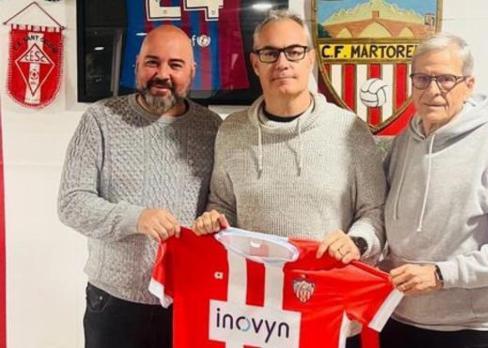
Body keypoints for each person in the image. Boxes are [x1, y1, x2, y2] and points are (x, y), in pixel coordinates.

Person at [192, 9, 386, 348]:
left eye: (294, 51)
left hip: (329, 315)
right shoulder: (231, 131)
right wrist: (213, 219)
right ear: (255, 64)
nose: (283, 62)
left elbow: (375, 212)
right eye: (270, 53)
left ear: (310, 59)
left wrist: (355, 242)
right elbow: (222, 205)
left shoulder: (349, 130)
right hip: (255, 318)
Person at [57, 25, 222, 348]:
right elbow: (71, 203)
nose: (162, 74)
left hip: (187, 300)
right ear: (136, 66)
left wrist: (214, 218)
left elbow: (219, 202)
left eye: (175, 65)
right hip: (114, 303)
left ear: (192, 72)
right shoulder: (100, 119)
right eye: (152, 62)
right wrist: (137, 218)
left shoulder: (212, 127)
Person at [379, 33, 488, 348]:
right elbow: (382, 222)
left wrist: (442, 274)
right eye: (422, 78)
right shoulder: (402, 144)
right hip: (398, 322)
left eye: (446, 79)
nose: (432, 90)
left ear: (469, 84)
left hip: (470, 333)